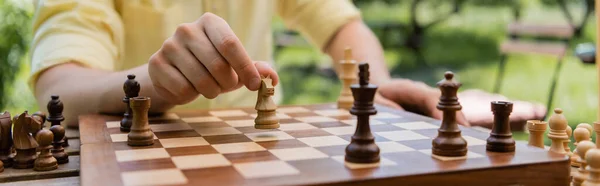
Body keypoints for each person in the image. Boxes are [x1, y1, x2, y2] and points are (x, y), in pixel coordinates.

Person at [29, 0, 545, 128]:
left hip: (254, 165)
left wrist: (376, 89)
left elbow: (345, 27)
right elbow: (58, 86)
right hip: (132, 169)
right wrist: (148, 83)